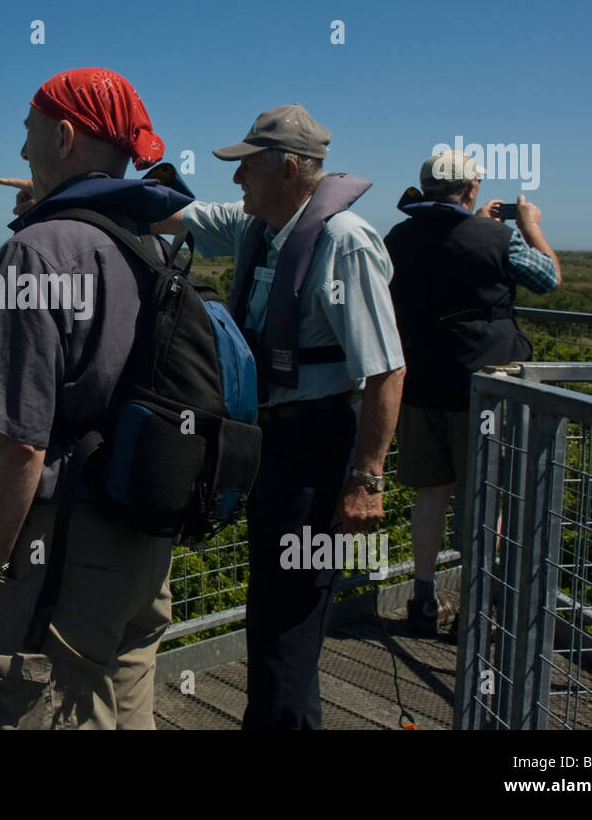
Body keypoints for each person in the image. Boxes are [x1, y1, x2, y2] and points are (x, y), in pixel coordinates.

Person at [152, 103, 407, 729]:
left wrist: (366, 479)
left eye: (247, 168)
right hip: (272, 446)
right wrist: (64, 191)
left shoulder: (343, 243)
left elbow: (386, 370)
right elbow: (172, 213)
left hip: (318, 448)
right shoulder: (261, 228)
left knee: (291, 616)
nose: (236, 182)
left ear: (289, 169)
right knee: (271, 606)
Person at [0, 68, 193, 729]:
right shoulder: (147, 239)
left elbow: (21, 439)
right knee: (127, 702)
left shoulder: (36, 250)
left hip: (62, 546)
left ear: (63, 137)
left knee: (38, 698)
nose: (22, 149)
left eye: (29, 132)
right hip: (143, 534)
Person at [384, 151, 560, 635]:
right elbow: (548, 278)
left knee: (431, 492)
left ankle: (421, 599)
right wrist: (529, 226)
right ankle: (476, 606)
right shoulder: (496, 237)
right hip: (483, 386)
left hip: (418, 380)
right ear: (472, 189)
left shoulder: (399, 236)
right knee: (485, 498)